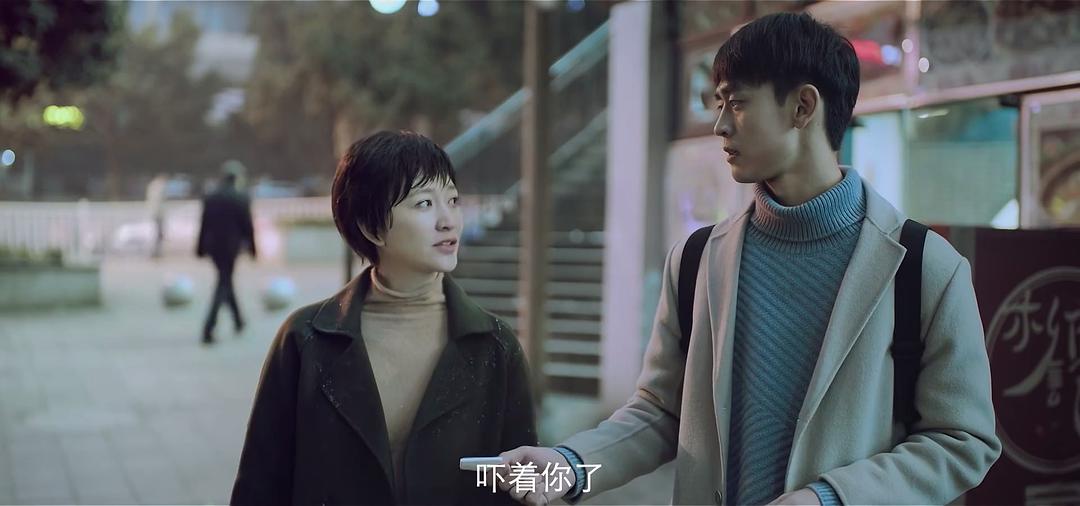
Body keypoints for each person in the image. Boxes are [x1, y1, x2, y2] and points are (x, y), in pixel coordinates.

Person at [498, 12, 1000, 506]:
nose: (719, 125)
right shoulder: (697, 259)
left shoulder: (924, 267)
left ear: (803, 107)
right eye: (719, 104)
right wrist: (569, 465)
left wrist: (831, 499)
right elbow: (660, 413)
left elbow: (961, 440)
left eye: (736, 103)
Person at [231, 130, 537, 505]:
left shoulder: (494, 346)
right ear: (371, 227)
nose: (448, 221)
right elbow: (260, 485)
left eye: (453, 200)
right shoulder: (305, 339)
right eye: (424, 204)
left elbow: (520, 486)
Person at [196, 167, 256, 344]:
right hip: (231, 248)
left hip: (214, 248)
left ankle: (238, 321)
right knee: (223, 283)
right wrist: (253, 249)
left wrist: (199, 247)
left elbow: (204, 224)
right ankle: (208, 328)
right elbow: (248, 226)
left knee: (225, 281)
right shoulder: (240, 197)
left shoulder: (211, 197)